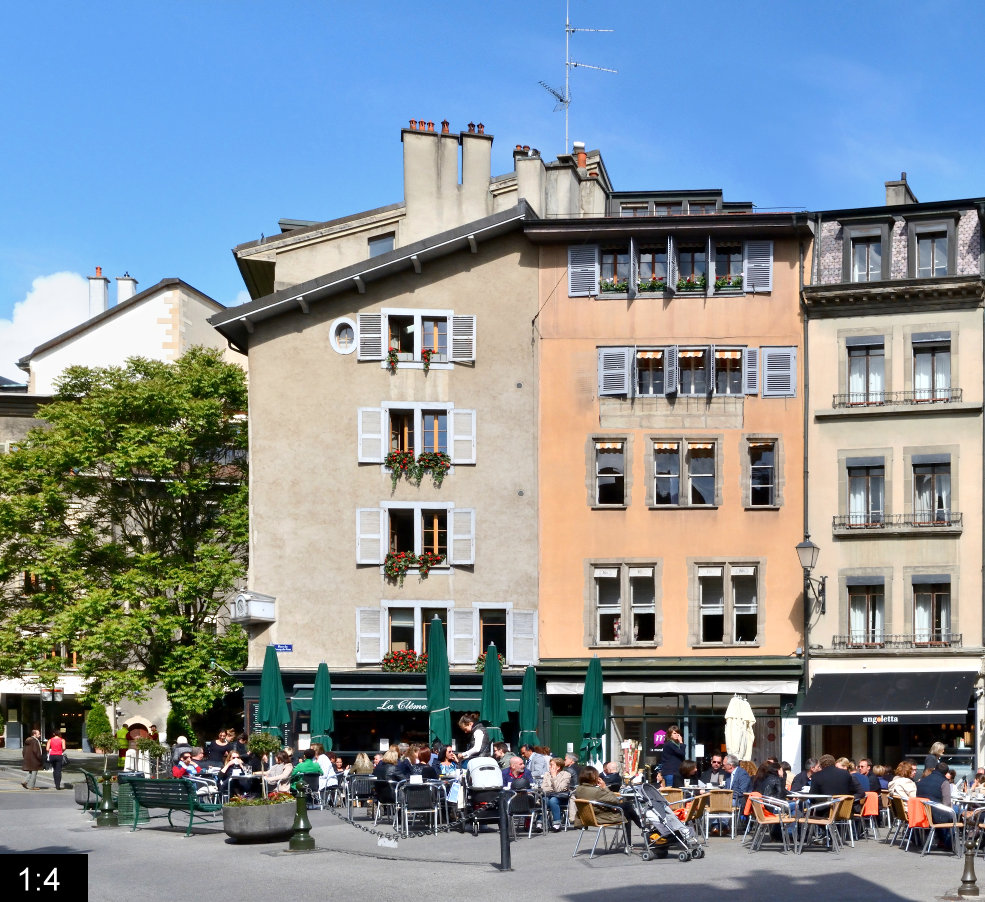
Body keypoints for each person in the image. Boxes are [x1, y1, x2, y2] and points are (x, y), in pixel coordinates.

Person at [572, 766, 643, 844]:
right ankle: (641, 828)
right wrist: (604, 787)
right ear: (594, 777)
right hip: (600, 817)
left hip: (587, 817)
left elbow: (595, 801)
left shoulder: (578, 790)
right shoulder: (597, 791)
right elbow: (615, 800)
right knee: (627, 808)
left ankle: (630, 842)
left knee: (626, 810)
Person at [541, 756, 572, 831]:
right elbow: (543, 787)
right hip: (549, 796)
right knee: (543, 800)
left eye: (551, 765)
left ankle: (557, 823)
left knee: (553, 800)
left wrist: (554, 777)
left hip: (562, 797)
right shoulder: (547, 774)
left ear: (558, 767)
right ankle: (539, 822)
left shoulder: (566, 775)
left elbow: (559, 789)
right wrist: (553, 789)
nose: (549, 766)